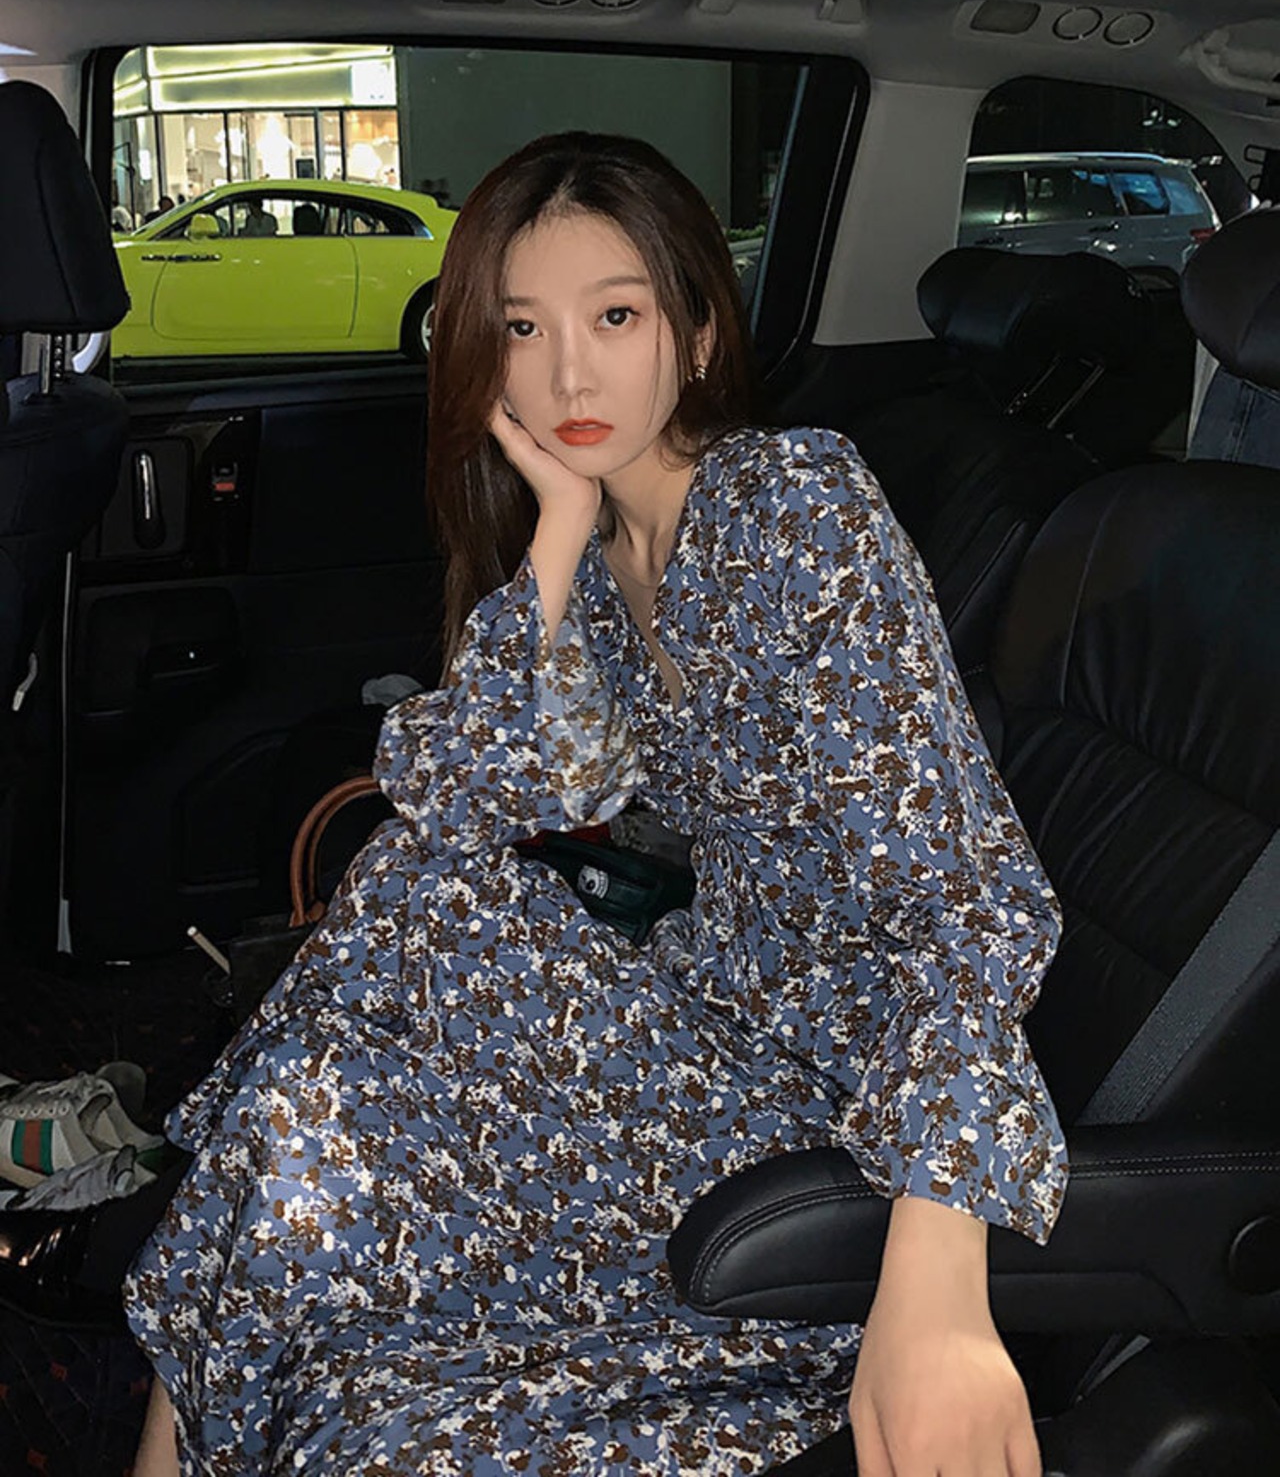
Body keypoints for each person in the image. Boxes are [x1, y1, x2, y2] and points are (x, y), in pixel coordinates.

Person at [126, 131, 1067, 1477]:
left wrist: (938, 1280)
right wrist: (561, 529)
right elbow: (470, 789)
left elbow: (964, 901)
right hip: (686, 1022)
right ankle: (206, 1377)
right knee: (402, 921)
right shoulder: (609, 540)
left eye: (615, 317)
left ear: (697, 334)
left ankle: (193, 1376)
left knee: (382, 976)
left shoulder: (795, 506)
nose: (568, 374)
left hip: (824, 1107)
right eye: (523, 329)